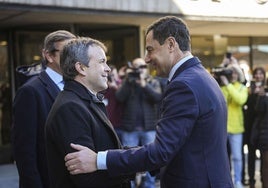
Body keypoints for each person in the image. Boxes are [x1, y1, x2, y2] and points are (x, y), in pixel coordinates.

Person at [64, 16, 234, 188]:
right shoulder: (200, 77)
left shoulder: (184, 85)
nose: (146, 59)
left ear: (170, 44)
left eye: (150, 50)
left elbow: (161, 152)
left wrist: (98, 160)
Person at [45, 37, 132, 188]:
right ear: (81, 68)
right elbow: (86, 178)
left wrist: (148, 155)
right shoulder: (70, 108)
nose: (108, 69)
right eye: (101, 62)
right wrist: (135, 167)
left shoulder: (86, 101)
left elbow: (110, 151)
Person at [12, 30, 76, 188]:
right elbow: (24, 152)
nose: (74, 57)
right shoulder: (30, 91)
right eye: (67, 52)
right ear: (49, 56)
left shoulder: (77, 85)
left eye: (75, 52)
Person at [115, 57, 162, 188]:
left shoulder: (152, 82)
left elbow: (158, 97)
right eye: (136, 67)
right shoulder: (128, 82)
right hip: (130, 129)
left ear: (146, 69)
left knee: (151, 160)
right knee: (128, 161)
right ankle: (129, 185)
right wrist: (128, 82)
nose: (140, 70)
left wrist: (144, 85)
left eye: (142, 67)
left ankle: (150, 186)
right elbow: (119, 97)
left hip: (149, 128)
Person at [220, 63, 248, 188]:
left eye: (236, 72)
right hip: (223, 128)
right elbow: (222, 101)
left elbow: (239, 100)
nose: (234, 75)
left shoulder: (242, 87)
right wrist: (225, 85)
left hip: (236, 128)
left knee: (237, 157)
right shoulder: (224, 87)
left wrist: (228, 85)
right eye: (231, 72)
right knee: (224, 157)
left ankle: (237, 181)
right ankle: (226, 181)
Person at [244, 67, 266, 188]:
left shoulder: (266, 89)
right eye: (256, 74)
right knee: (251, 156)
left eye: (260, 73)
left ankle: (264, 180)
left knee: (264, 157)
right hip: (251, 128)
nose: (258, 76)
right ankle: (251, 181)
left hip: (262, 129)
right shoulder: (249, 89)